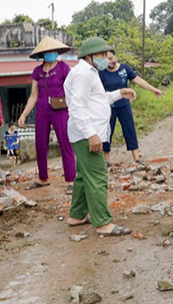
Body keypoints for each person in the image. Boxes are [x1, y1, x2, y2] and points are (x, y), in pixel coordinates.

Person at [64, 37, 136, 237]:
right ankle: (103, 222)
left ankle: (77, 215)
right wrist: (91, 135)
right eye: (103, 55)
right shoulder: (82, 75)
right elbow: (77, 106)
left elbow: (98, 98)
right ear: (90, 56)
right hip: (87, 133)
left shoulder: (90, 72)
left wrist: (120, 93)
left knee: (83, 176)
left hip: (88, 132)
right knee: (97, 176)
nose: (107, 58)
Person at [18, 37, 76, 194]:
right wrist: (24, 114)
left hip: (61, 109)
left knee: (65, 143)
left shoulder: (64, 68)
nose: (52, 54)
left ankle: (71, 179)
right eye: (48, 52)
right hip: (42, 110)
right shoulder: (37, 71)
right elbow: (33, 95)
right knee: (40, 144)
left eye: (54, 51)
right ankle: (43, 178)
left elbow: (72, 90)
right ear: (42, 54)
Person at [99, 50, 164, 165]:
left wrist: (153, 89)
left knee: (130, 130)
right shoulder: (101, 72)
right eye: (107, 59)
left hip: (124, 104)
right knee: (107, 132)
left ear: (115, 57)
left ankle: (136, 157)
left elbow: (137, 80)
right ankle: (106, 160)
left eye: (111, 58)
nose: (110, 61)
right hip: (108, 107)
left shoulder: (124, 69)